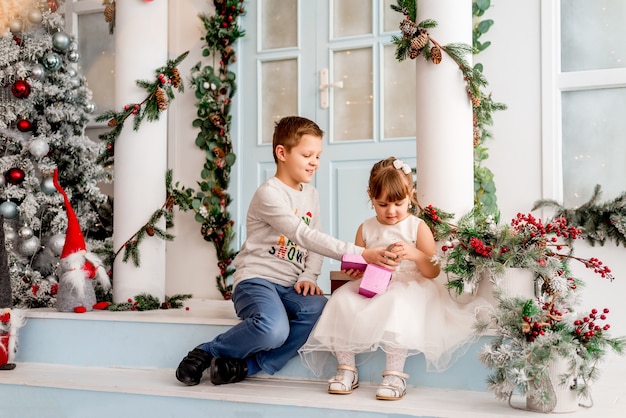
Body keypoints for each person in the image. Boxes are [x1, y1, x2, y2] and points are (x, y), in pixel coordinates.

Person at [175, 116, 398, 386]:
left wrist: (309, 276)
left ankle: (245, 366)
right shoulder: (269, 193)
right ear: (282, 153)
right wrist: (360, 254)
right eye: (307, 155)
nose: (315, 161)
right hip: (257, 281)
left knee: (319, 310)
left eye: (318, 155)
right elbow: (303, 234)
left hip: (290, 287)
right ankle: (209, 350)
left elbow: (313, 248)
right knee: (274, 330)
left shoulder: (311, 195)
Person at [298, 157, 489, 400]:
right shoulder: (365, 228)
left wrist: (415, 254)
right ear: (371, 197)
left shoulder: (417, 227)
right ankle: (346, 368)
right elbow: (360, 261)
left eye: (399, 203)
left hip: (409, 284)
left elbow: (433, 271)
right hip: (373, 282)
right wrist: (356, 271)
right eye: (382, 204)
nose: (391, 211)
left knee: (397, 303)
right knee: (341, 299)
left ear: (411, 194)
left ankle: (395, 374)